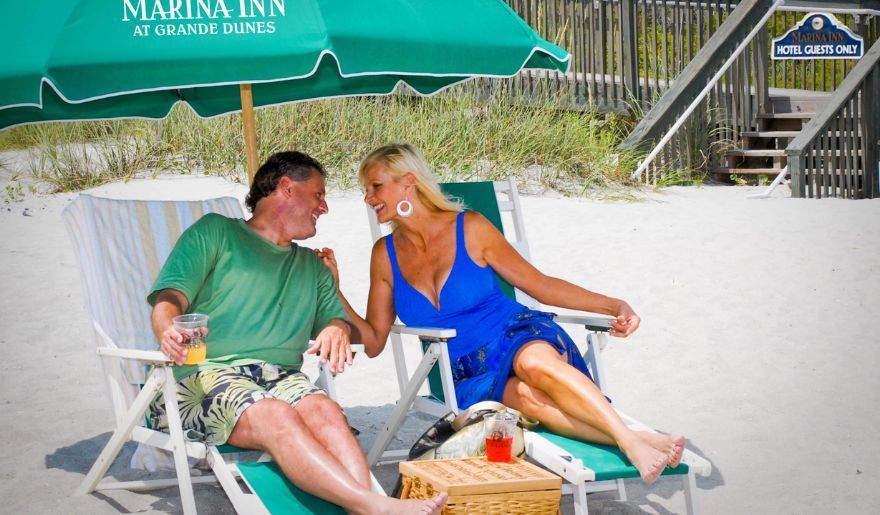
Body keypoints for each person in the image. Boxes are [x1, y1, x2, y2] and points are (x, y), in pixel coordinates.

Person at [318, 143, 685, 485]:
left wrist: (614, 305)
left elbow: (538, 284)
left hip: (514, 332)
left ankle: (627, 441)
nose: (368, 198)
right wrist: (334, 290)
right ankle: (639, 437)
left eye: (376, 187)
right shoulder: (384, 255)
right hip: (467, 372)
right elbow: (374, 341)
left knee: (533, 365)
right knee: (524, 398)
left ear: (408, 183)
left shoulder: (471, 228)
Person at [148, 151, 446, 514]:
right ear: (287, 188)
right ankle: (375, 506)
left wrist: (337, 327)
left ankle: (370, 507)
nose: (324, 207)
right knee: (276, 415)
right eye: (319, 194)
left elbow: (353, 332)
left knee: (325, 411)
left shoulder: (312, 266)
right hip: (201, 377)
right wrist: (167, 329)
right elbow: (170, 296)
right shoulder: (216, 232)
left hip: (280, 379)